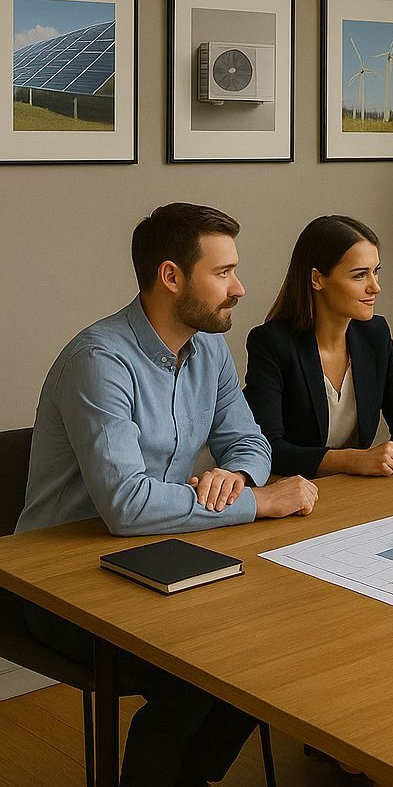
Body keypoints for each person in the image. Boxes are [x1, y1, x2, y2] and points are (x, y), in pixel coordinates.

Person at [17, 202, 318, 787]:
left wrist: (239, 477)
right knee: (198, 670)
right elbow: (128, 506)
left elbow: (251, 443)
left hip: (165, 551)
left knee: (268, 644)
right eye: (223, 272)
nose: (240, 287)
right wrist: (260, 501)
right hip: (61, 581)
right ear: (171, 276)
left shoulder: (208, 349)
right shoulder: (99, 361)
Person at [244, 214, 393, 479]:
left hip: (355, 488)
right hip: (295, 491)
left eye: (375, 271)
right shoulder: (272, 343)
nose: (375, 287)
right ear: (317, 279)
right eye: (359, 275)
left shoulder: (374, 334)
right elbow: (269, 448)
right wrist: (354, 460)